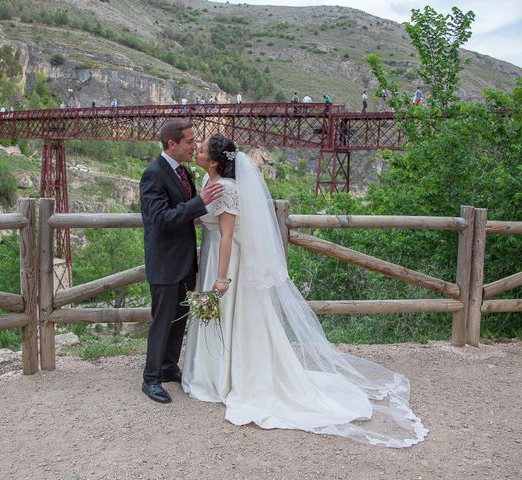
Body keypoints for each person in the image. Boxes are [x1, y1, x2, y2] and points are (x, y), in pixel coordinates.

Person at [182, 133, 428, 448]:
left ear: (215, 161)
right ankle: (214, 372)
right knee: (218, 319)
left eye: (201, 149)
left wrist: (222, 278)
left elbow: (227, 236)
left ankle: (230, 377)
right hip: (214, 253)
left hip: (226, 262)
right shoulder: (208, 178)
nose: (197, 150)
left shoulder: (227, 189)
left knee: (233, 317)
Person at [139, 119, 225, 404]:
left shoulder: (183, 171)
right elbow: (161, 219)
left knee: (180, 318)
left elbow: (184, 213)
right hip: (165, 262)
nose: (195, 145)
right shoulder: (153, 174)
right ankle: (150, 378)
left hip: (186, 261)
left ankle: (167, 366)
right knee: (161, 321)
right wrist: (199, 203)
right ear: (171, 144)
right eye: (189, 141)